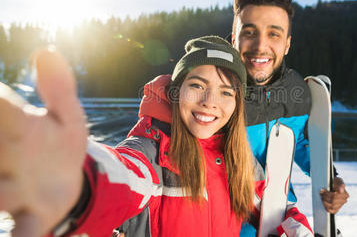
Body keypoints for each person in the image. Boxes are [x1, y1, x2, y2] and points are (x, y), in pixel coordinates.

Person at [0, 36, 314, 237]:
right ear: (176, 92)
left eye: (226, 91)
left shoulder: (238, 160)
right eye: (197, 85)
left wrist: (299, 231)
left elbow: (275, 208)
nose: (210, 102)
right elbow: (124, 177)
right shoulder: (152, 152)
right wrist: (77, 178)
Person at [230, 0, 350, 236]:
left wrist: (331, 179)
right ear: (234, 38)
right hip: (222, 222)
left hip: (277, 217)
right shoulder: (213, 91)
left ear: (287, 43)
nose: (261, 45)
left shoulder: (295, 91)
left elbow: (302, 144)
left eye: (274, 33)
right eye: (249, 32)